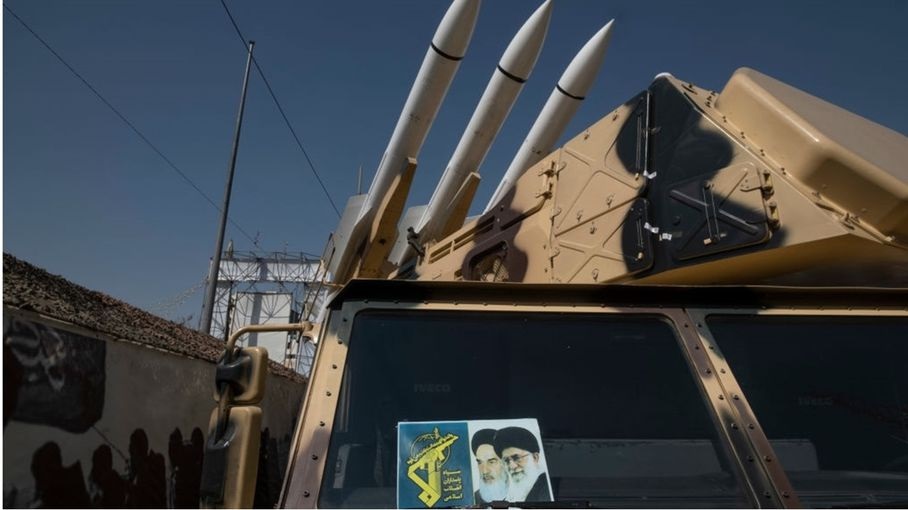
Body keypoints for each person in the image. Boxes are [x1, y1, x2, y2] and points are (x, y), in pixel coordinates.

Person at [493, 427, 552, 503]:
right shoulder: (509, 497)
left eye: (517, 458)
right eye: (506, 461)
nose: (512, 466)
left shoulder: (547, 488)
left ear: (535, 457)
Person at [470, 429, 508, 505]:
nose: (484, 471)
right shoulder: (472, 500)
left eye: (491, 462)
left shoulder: (523, 495)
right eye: (480, 462)